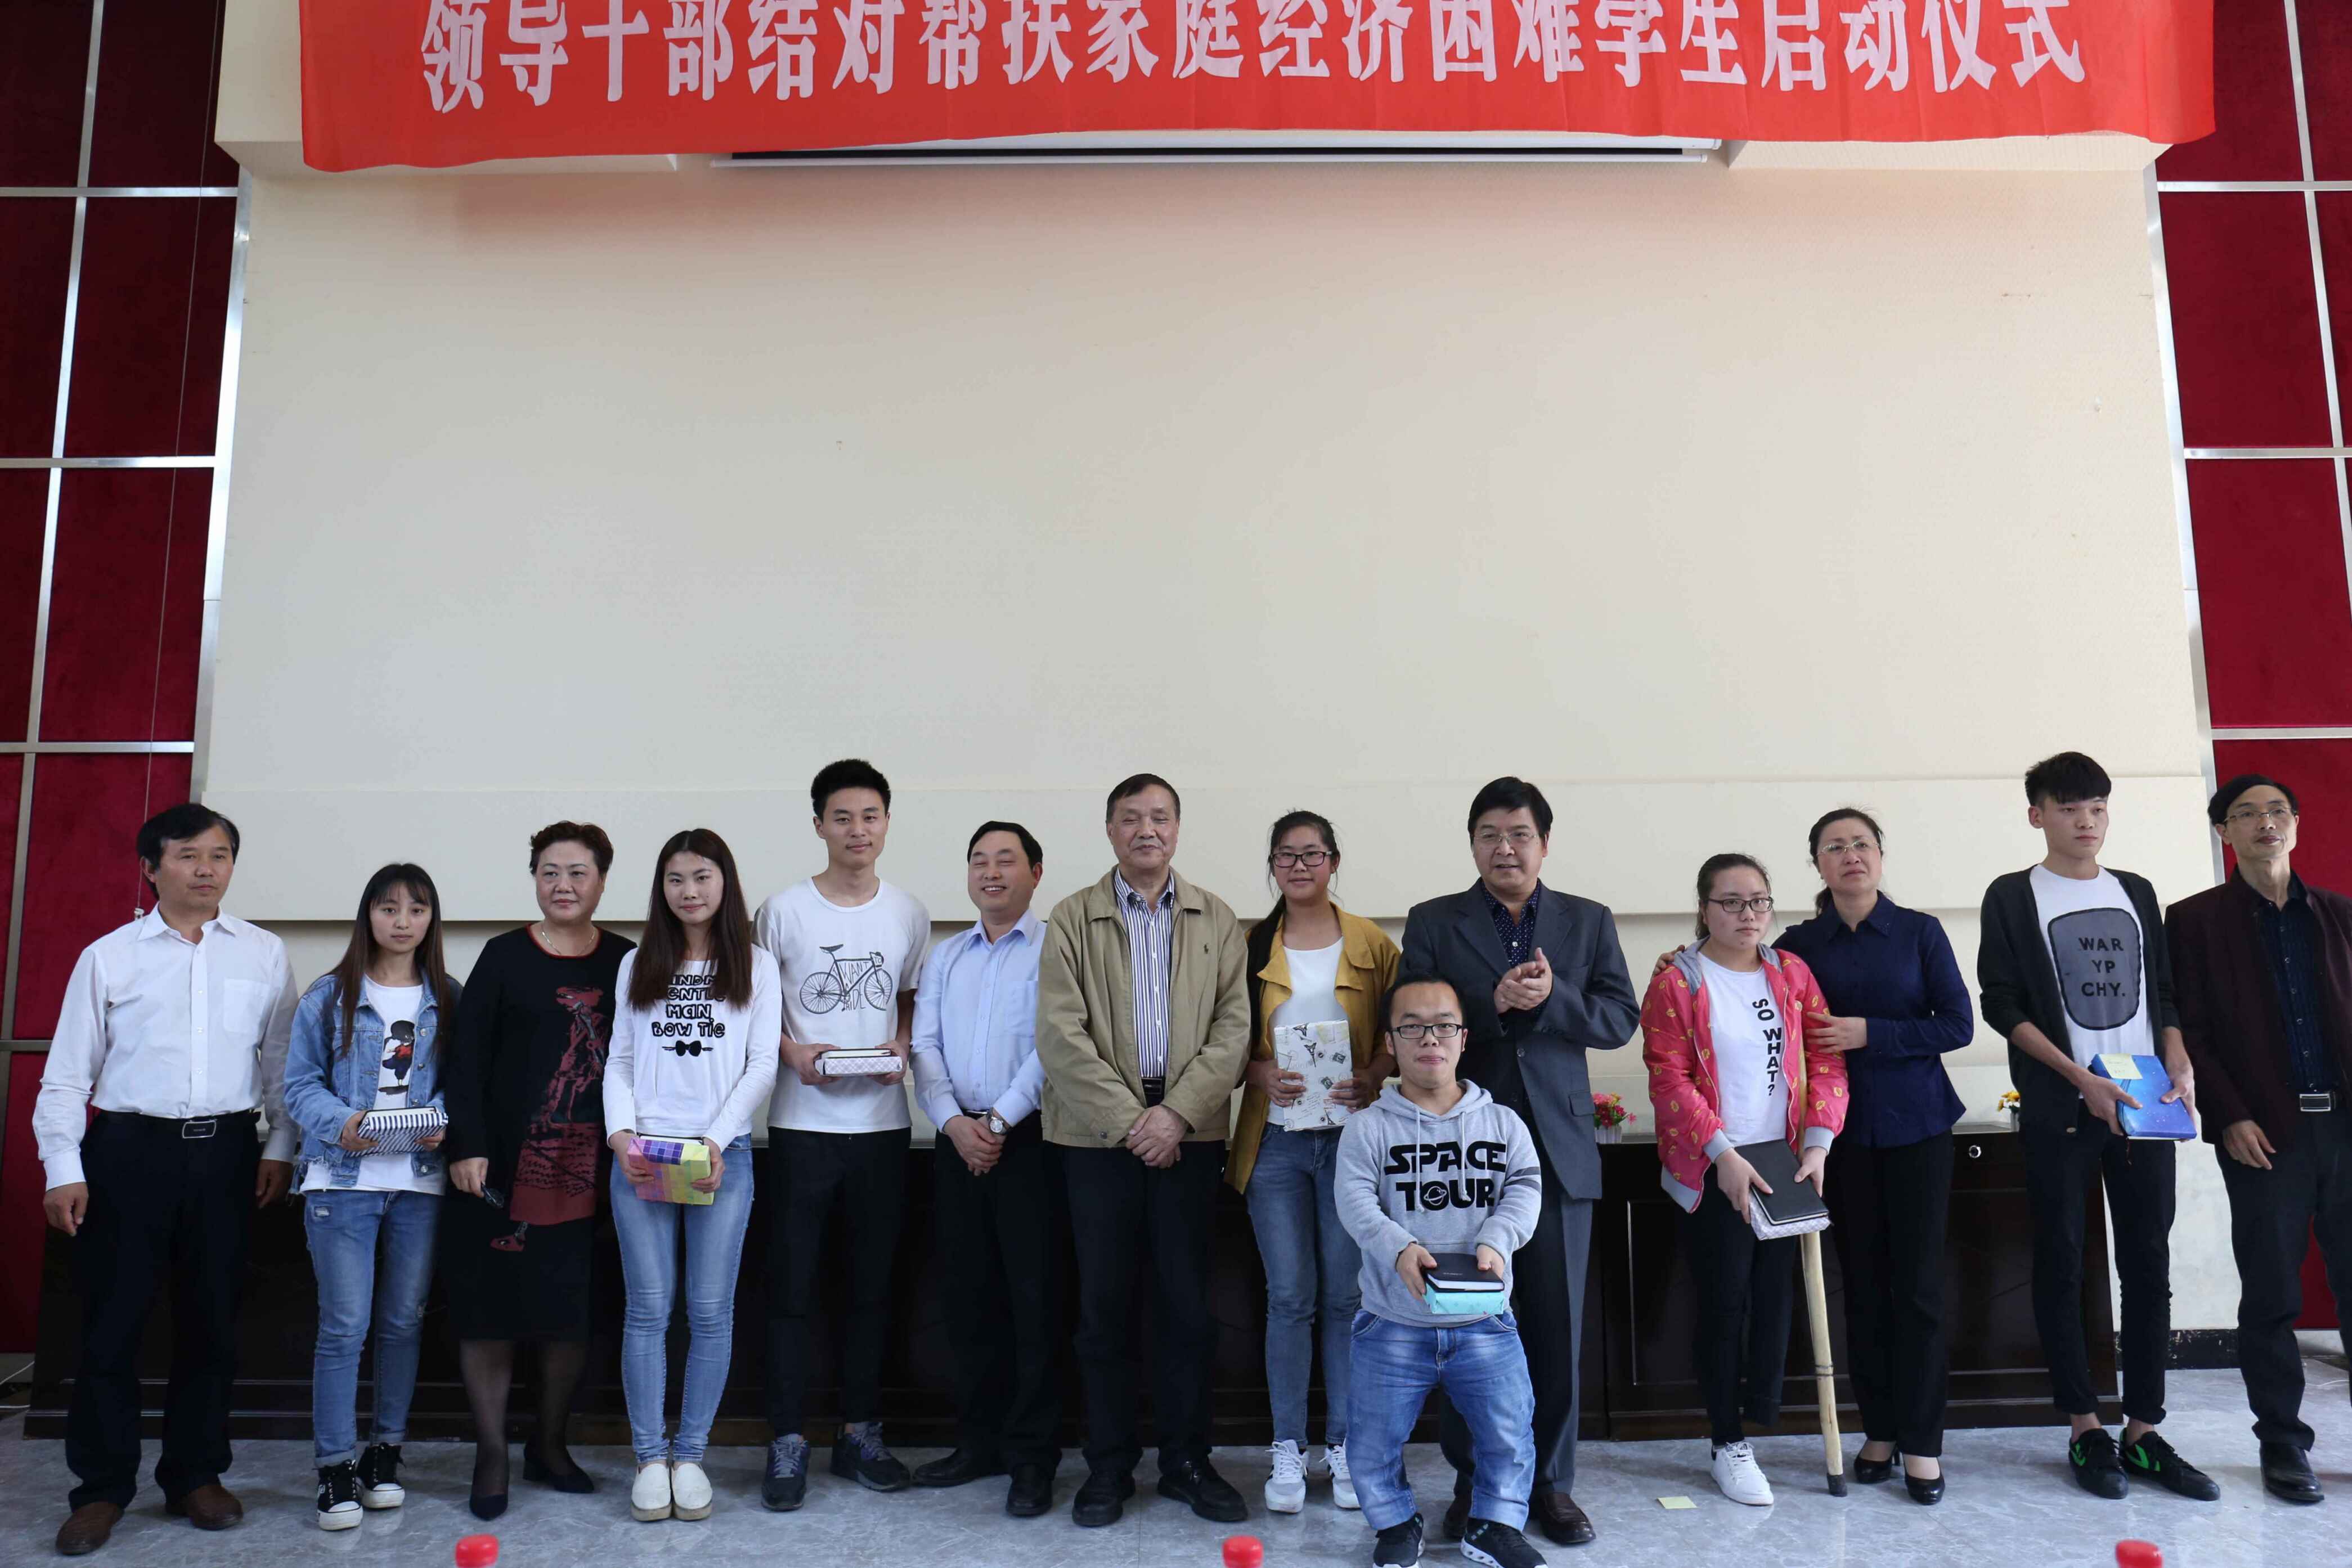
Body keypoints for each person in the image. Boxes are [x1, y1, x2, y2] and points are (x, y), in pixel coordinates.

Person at [35, 804, 298, 1558]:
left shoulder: (263, 952)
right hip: (127, 1153)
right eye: (188, 854)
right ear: (151, 868)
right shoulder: (109, 956)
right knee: (112, 1325)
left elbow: (281, 1062)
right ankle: (100, 1488)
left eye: (219, 854)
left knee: (212, 1322)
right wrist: (63, 1168)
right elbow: (66, 1075)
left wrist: (281, 1145)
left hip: (228, 1155)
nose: (206, 868)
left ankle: (195, 1474)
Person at [1400, 777, 1639, 1547]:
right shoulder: (1434, 920)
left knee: (1555, 1328)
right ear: (1473, 843)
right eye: (1490, 834)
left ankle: (1551, 1484)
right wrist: (1491, 1003)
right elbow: (1408, 1013)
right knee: (1467, 1326)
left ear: (1544, 842)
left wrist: (1551, 997)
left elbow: (1618, 1018)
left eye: (1520, 834)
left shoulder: (1588, 919)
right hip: (1464, 1154)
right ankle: (1475, 1482)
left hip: (1559, 1150)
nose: (1505, 848)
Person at [1977, 751, 2218, 1502]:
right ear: (2037, 815)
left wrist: (2178, 1058)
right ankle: (2084, 1424)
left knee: (2148, 1262)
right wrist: (2079, 1078)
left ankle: (2143, 1429)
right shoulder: (2013, 894)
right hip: (2064, 1104)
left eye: (2097, 807)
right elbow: (2001, 1002)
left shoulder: (2135, 890)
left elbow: (2164, 992)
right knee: (2062, 1259)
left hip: (2145, 1101)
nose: (2086, 821)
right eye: (2069, 807)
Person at [1036, 772, 1251, 1527]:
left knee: (1187, 1308)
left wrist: (1177, 1115)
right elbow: (1058, 1035)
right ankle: (1108, 1466)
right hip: (1098, 1140)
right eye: (1130, 818)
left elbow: (1234, 1030)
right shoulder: (1072, 918)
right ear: (1110, 830)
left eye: (1159, 817)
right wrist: (1135, 1121)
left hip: (1190, 1138)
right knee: (1103, 1308)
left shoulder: (1216, 917)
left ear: (1177, 829)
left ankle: (1187, 1461)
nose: (1146, 830)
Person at [1772, 811, 1972, 1504]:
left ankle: (1922, 1442)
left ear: (1880, 857)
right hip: (1838, 1140)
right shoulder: (1797, 945)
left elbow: (1957, 1024)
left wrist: (1871, 1034)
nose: (1850, 855)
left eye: (1861, 844)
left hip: (1919, 1130)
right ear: (1818, 865)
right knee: (1860, 1289)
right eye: (1835, 846)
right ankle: (1878, 1430)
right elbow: (1745, 988)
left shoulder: (1919, 932)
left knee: (1917, 1292)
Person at [2167, 774, 2352, 1506]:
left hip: (2345, 1126)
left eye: (2276, 810)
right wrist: (2229, 1113)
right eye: (2245, 813)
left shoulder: (2338, 913)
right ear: (2225, 833)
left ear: (2296, 823)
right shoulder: (2193, 921)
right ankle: (2283, 1442)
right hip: (2263, 1134)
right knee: (2272, 1293)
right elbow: (2192, 1030)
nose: (2263, 822)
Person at [1641, 853, 1846, 1507]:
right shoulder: (1678, 982)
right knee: (1723, 1304)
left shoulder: (1791, 973)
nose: (1747, 914)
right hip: (1714, 1165)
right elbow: (1668, 1076)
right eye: (1730, 902)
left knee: (1773, 1300)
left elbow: (1825, 1058)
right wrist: (1722, 1153)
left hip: (1783, 1163)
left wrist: (1818, 1142)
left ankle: (1758, 1422)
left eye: (1758, 901)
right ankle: (1725, 1442)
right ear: (1704, 909)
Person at [441, 821, 633, 1520]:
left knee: (568, 1314)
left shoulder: (627, 961)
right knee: (489, 1311)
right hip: (496, 1167)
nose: (563, 885)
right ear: (534, 879)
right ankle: (492, 1452)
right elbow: (464, 1060)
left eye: (578, 872)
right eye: (550, 872)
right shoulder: (503, 956)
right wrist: (466, 1145)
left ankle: (549, 1445)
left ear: (602, 881)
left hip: (590, 1168)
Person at [756, 759, 931, 1509]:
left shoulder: (909, 911)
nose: (858, 830)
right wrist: (792, 1054)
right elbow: (758, 1010)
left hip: (882, 1129)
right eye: (842, 817)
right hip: (801, 1127)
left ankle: (861, 1433)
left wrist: (902, 1048)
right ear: (819, 825)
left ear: (886, 823)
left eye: (870, 815)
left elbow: (910, 999)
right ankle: (787, 1440)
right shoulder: (781, 911)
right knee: (791, 1291)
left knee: (871, 1290)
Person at [1335, 973, 1550, 1568]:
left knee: (1508, 1434)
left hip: (1485, 1320)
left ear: (1463, 1037)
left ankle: (1494, 1525)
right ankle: (1395, 1524)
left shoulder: (1502, 1122)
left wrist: (1498, 1240)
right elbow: (1355, 1201)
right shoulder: (1367, 1128)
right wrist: (1398, 1247)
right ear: (1390, 1042)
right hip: (1392, 1321)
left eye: (1443, 1026)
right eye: (1412, 1028)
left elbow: (1525, 1187)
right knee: (1373, 1440)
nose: (1430, 1038)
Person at [605, 829, 779, 1524]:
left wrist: (714, 1140)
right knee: (648, 1310)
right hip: (643, 1154)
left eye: (702, 877)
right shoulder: (638, 962)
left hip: (720, 1158)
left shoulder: (757, 966)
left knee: (710, 1312)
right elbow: (620, 1061)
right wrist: (620, 1135)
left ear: (724, 882)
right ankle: (649, 1458)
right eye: (675, 879)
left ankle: (691, 1455)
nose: (689, 891)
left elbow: (761, 1064)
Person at [1228, 810, 1399, 1514]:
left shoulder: (1371, 943)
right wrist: (1258, 1073)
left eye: (1312, 854)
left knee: (1346, 1298)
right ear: (1271, 866)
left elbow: (1399, 1031)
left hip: (1351, 1142)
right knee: (1290, 1297)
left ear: (1334, 862)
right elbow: (1220, 1039)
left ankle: (1347, 1446)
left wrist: (1375, 1075)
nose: (1298, 867)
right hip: (1274, 1143)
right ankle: (1288, 1447)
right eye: (1285, 856)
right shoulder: (1249, 946)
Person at [281, 863, 461, 1531]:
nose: (402, 921)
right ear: (368, 916)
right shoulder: (329, 995)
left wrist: (444, 1119)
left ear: (431, 919)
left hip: (418, 1183)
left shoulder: (449, 997)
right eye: (388, 908)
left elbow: (464, 1082)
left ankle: (384, 1454)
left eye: (416, 909)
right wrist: (343, 1123)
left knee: (403, 1324)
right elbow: (298, 1085)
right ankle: (334, 1467)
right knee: (344, 1327)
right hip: (342, 1182)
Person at [907, 821, 1062, 1517]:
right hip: (956, 1141)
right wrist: (953, 1124)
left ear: (1035, 872)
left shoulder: (1056, 949)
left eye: (1006, 860)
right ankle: (978, 1443)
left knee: (1034, 1304)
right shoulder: (946, 957)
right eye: (979, 861)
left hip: (1029, 1145)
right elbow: (924, 1046)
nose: (991, 873)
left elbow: (1054, 1046)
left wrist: (997, 1123)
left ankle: (1032, 1458)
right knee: (968, 1300)